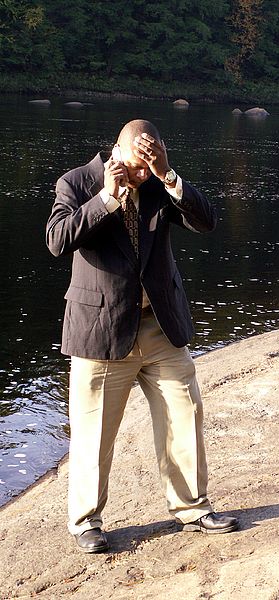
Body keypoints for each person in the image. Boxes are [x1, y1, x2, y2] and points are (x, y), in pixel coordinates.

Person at [46, 119, 238, 553]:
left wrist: (168, 176)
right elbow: (57, 241)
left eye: (148, 167)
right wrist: (106, 199)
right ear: (117, 150)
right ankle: (86, 523)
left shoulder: (158, 181)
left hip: (159, 327)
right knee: (94, 433)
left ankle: (193, 508)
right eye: (136, 166)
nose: (141, 175)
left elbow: (206, 221)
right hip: (101, 331)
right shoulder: (77, 182)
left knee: (184, 415)